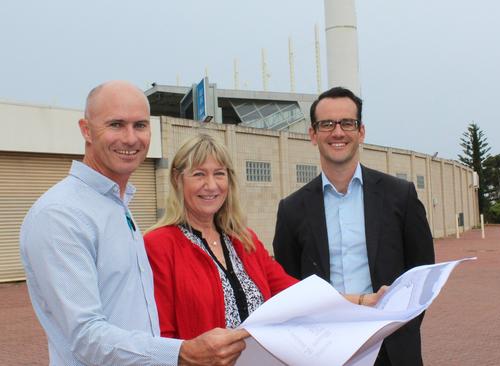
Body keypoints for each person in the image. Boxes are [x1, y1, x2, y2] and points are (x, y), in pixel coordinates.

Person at [20, 80, 248, 366]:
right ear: (86, 130)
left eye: (140, 125)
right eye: (116, 124)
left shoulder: (116, 207)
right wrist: (181, 352)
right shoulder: (61, 214)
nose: (130, 138)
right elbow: (85, 336)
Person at [144, 133, 385, 340]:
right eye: (198, 174)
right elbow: (161, 336)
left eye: (219, 173)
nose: (211, 185)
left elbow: (297, 295)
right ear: (178, 179)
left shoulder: (243, 240)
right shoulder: (159, 245)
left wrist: (362, 300)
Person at [272, 86, 435, 365]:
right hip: (323, 352)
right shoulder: (292, 210)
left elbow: (422, 273)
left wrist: (400, 329)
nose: (338, 132)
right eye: (327, 124)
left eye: (347, 123)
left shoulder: (400, 196)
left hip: (391, 350)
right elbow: (289, 289)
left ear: (361, 132)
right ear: (313, 134)